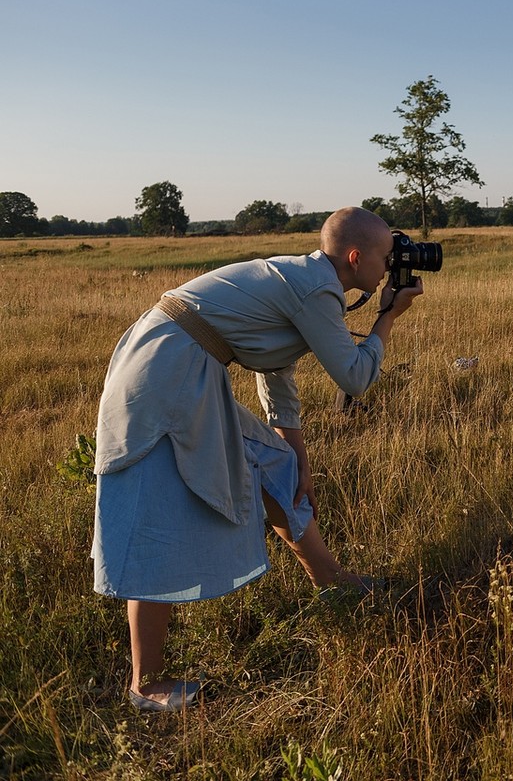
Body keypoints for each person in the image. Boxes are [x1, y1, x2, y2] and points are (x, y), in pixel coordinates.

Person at [91, 206, 422, 712]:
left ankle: (330, 581)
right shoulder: (317, 290)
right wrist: (387, 318)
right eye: (385, 257)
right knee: (157, 509)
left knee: (275, 464)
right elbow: (355, 377)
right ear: (355, 258)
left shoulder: (306, 279)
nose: (389, 267)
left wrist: (298, 456)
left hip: (177, 360)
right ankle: (145, 684)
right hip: (166, 373)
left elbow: (276, 376)